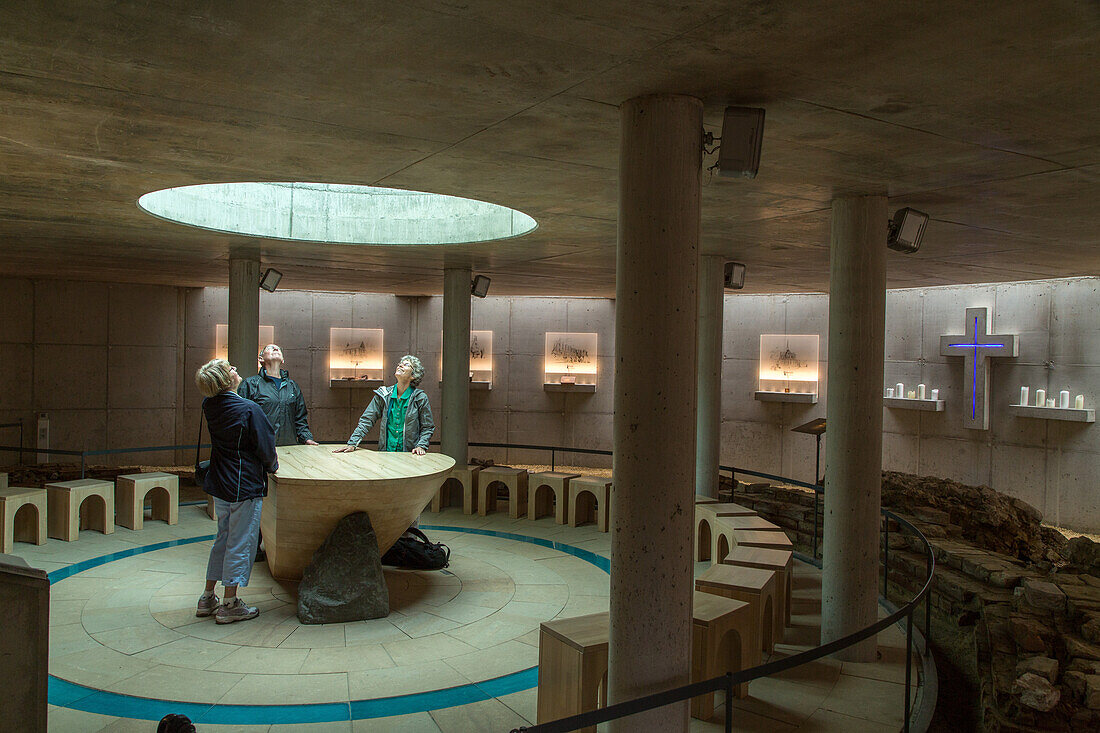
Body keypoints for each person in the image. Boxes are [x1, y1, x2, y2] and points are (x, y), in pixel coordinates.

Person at [194, 358, 278, 624]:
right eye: (231, 369)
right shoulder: (249, 409)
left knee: (224, 537)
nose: (236, 370)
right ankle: (230, 603)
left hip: (220, 482)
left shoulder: (209, 405)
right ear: (225, 380)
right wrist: (272, 466)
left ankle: (208, 597)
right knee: (240, 543)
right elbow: (265, 447)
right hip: (244, 484)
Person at [333, 355, 434, 455]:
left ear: (413, 375)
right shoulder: (384, 394)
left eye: (406, 364)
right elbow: (367, 419)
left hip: (409, 456)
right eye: (399, 364)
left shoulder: (420, 398)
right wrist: (353, 443)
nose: (400, 366)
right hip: (386, 454)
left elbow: (427, 427)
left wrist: (421, 446)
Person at [237, 344, 319, 448]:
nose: (276, 349)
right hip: (260, 449)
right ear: (260, 359)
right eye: (270, 348)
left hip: (289, 448)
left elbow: (300, 418)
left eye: (279, 349)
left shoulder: (292, 386)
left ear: (283, 360)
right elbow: (240, 418)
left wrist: (307, 438)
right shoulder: (250, 384)